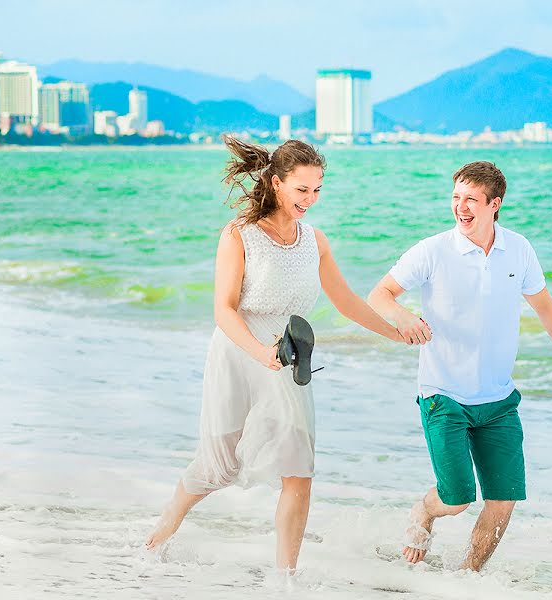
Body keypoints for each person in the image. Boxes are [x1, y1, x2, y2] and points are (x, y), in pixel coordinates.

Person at [145, 136, 404, 571]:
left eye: (318, 189)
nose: (311, 198)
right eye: (302, 189)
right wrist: (259, 352)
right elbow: (223, 311)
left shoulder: (314, 240)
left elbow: (346, 301)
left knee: (299, 468)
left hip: (288, 355)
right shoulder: (240, 235)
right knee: (218, 468)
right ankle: (160, 533)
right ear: (277, 182)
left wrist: (394, 333)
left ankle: (285, 580)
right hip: (239, 350)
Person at [368, 161, 552, 571]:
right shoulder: (433, 250)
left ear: (495, 204)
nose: (461, 207)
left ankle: (466, 580)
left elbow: (545, 307)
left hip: (498, 400)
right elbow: (380, 294)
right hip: (444, 395)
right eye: (456, 198)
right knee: (456, 500)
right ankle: (424, 511)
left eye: (471, 199)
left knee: (503, 501)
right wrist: (403, 317)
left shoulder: (519, 249)